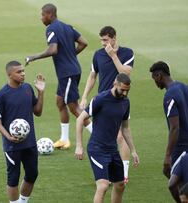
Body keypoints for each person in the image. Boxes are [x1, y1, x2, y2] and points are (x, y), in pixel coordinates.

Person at [25, 3, 91, 149]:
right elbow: (83, 42)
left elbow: (53, 49)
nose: (41, 18)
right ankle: (64, 139)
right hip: (71, 71)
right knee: (60, 102)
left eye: (43, 15)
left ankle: (98, 136)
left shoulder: (51, 28)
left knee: (74, 107)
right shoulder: (67, 26)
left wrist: (34, 57)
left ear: (50, 14)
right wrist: (71, 55)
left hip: (67, 73)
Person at [80, 26, 135, 183]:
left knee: (121, 136)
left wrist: (113, 56)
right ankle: (107, 172)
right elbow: (92, 76)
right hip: (102, 102)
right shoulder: (98, 54)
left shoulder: (127, 53)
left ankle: (123, 174)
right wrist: (84, 96)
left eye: (105, 40)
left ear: (114, 38)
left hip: (120, 100)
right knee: (103, 134)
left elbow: (124, 74)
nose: (103, 43)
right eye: (101, 40)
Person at [75, 73, 139, 203]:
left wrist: (133, 150)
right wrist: (79, 145)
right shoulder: (100, 99)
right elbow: (80, 119)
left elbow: (125, 128)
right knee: (103, 185)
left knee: (120, 184)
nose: (125, 93)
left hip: (112, 150)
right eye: (122, 90)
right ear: (115, 84)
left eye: (127, 91)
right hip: (97, 149)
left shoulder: (125, 102)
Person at [0, 61, 45, 203]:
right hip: (12, 146)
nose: (23, 74)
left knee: (32, 174)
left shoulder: (28, 88)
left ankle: (22, 201)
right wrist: (8, 136)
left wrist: (41, 92)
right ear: (10, 74)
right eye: (19, 72)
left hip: (30, 142)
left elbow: (38, 112)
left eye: (23, 71)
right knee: (13, 178)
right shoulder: (2, 95)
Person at [150, 61, 188, 179]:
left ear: (159, 75)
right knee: (187, 175)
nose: (155, 83)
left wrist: (167, 155)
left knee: (172, 175)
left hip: (183, 144)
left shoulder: (169, 96)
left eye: (154, 78)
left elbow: (174, 128)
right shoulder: (186, 87)